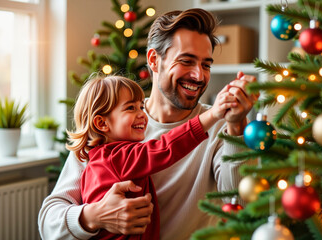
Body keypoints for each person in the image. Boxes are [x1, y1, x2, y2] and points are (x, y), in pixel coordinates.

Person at [38, 8, 257, 240]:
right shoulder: (114, 125)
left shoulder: (220, 126)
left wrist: (236, 125)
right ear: (154, 60)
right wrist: (95, 216)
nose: (199, 76)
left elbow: (240, 203)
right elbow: (48, 225)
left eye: (206, 65)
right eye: (186, 61)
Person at [68, 75, 237, 239]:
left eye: (141, 107)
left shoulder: (99, 159)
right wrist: (213, 114)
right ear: (102, 123)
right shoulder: (117, 157)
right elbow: (166, 147)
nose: (142, 114)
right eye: (130, 108)